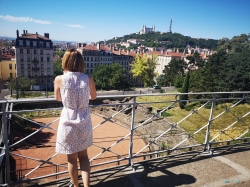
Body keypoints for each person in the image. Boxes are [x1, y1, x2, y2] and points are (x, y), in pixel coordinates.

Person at [54, 48, 97, 187]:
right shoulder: (88, 78)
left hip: (68, 121)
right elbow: (94, 97)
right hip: (84, 120)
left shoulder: (59, 79)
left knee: (71, 159)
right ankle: (87, 186)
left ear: (65, 61)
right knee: (84, 156)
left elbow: (58, 99)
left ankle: (76, 186)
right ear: (81, 63)